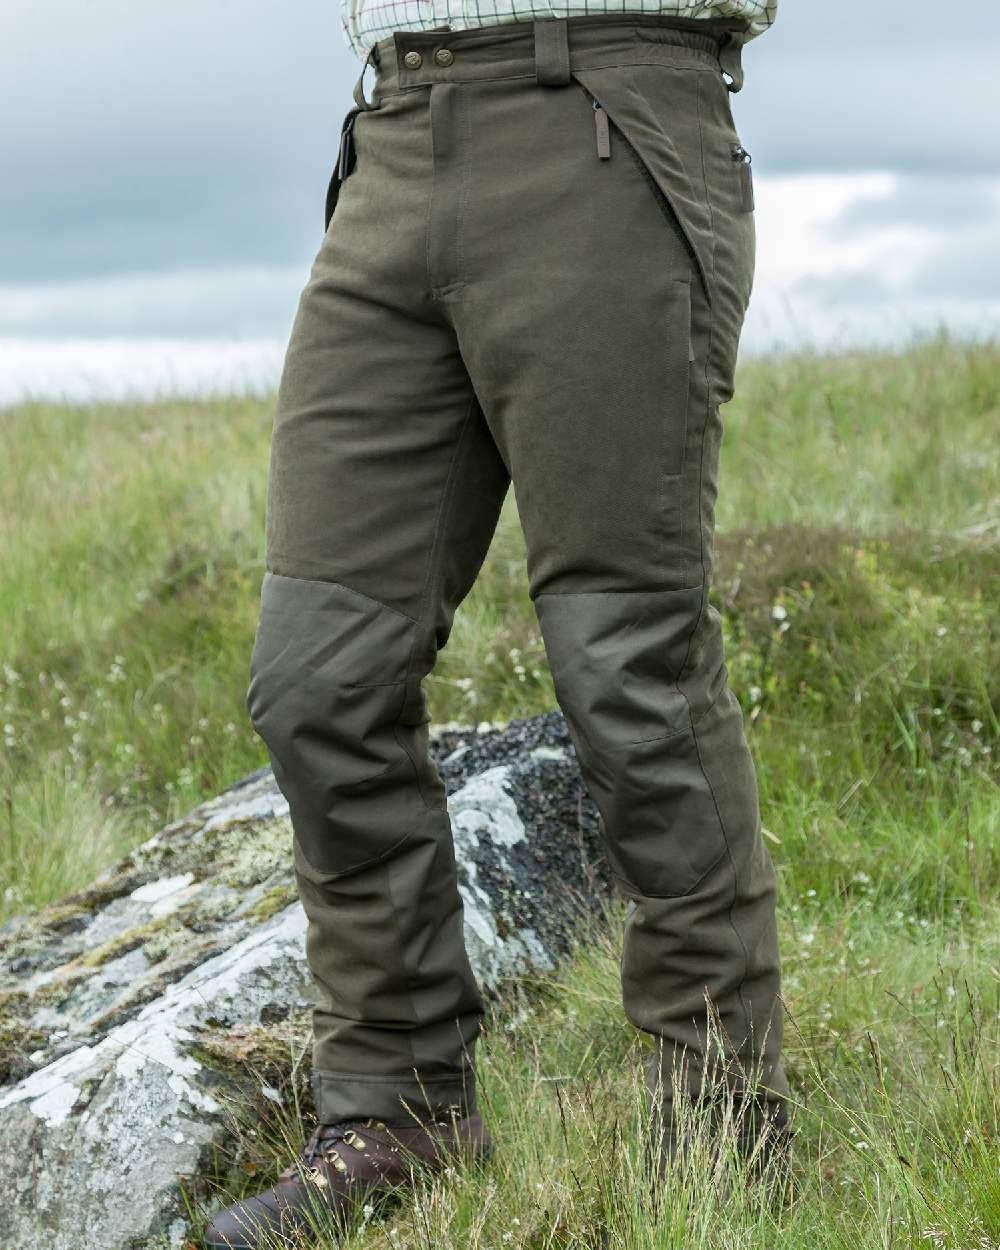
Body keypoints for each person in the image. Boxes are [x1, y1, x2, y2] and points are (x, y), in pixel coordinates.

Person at [205, 4, 789, 1245]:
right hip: (395, 134)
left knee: (628, 666)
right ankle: (398, 1106)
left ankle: (718, 1122)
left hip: (605, 110)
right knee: (317, 678)